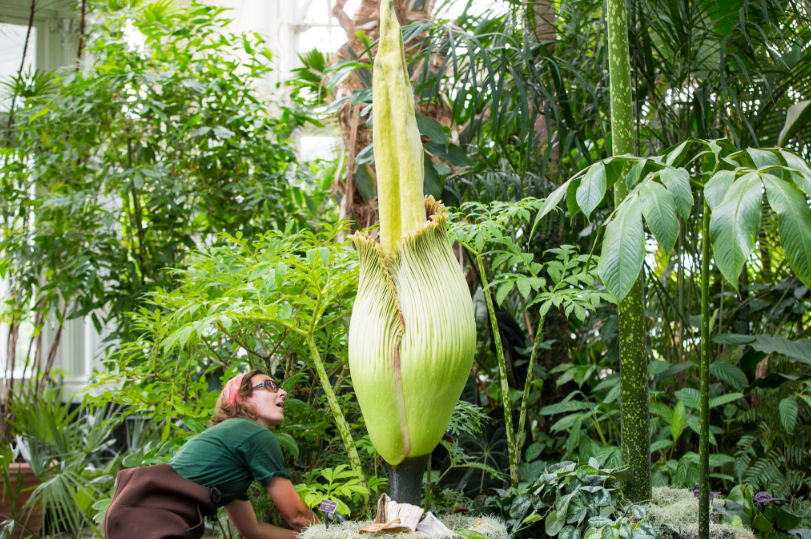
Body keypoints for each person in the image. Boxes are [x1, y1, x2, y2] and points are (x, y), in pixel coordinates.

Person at [104, 369, 320, 539]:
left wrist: (304, 537)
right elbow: (298, 516)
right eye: (270, 385)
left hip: (134, 517)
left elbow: (252, 530)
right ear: (243, 398)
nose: (283, 392)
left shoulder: (231, 449)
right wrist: (333, 535)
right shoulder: (254, 434)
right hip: (150, 521)